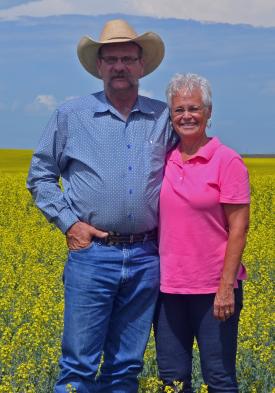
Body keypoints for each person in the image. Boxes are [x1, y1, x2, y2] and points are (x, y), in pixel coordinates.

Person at [27, 19, 174, 393]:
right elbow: (40, 176)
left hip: (145, 256)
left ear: (142, 66)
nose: (119, 66)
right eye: (111, 59)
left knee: (126, 367)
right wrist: (69, 224)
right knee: (78, 366)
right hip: (93, 256)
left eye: (127, 58)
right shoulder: (71, 115)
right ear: (99, 66)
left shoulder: (163, 118)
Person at [154, 73, 250, 393]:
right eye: (179, 110)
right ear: (171, 115)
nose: (186, 116)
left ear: (209, 112)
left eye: (194, 108)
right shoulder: (163, 159)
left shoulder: (227, 161)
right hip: (168, 290)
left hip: (214, 291)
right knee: (172, 379)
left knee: (219, 377)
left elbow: (239, 227)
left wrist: (225, 287)